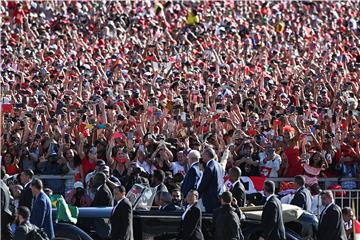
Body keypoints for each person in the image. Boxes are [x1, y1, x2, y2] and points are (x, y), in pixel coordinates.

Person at [197, 148, 225, 212]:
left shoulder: (209, 167)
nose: (202, 156)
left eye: (203, 154)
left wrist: (196, 196)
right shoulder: (219, 165)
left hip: (210, 200)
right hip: (218, 198)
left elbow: (203, 184)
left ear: (207, 155)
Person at [1, 169, 14, 240]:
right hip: (5, 219)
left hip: (3, 220)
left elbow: (1, 205)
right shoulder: (4, 186)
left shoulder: (1, 187)